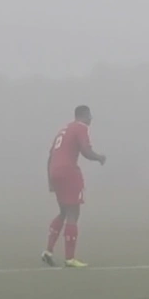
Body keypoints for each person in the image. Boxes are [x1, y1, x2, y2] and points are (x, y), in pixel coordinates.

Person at [43, 105, 106, 268]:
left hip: (55, 171)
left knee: (63, 211)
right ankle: (70, 258)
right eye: (90, 116)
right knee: (73, 213)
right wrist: (99, 157)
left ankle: (48, 251)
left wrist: (50, 179)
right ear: (84, 115)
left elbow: (50, 155)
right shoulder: (80, 127)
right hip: (68, 171)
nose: (91, 119)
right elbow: (85, 150)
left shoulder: (64, 129)